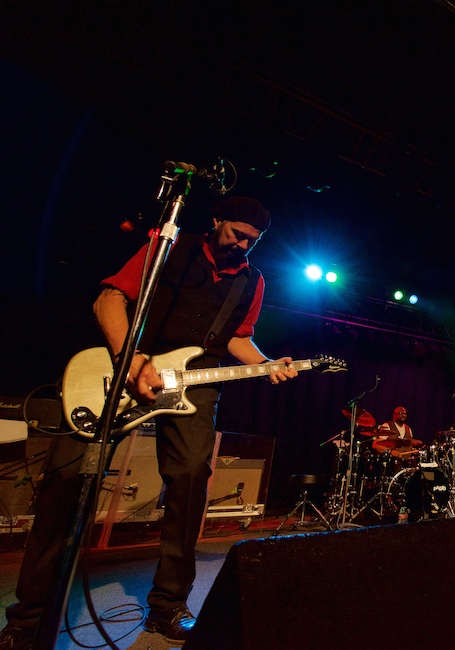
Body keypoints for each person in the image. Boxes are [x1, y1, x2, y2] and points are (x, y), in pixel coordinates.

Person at [0, 196, 298, 648]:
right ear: (216, 221)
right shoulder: (169, 248)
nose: (243, 246)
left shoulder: (251, 281)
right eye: (237, 234)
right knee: (66, 484)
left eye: (253, 241)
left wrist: (267, 363)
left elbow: (239, 339)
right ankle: (27, 619)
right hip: (123, 369)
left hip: (192, 385)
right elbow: (108, 300)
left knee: (192, 478)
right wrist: (131, 360)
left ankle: (167, 607)